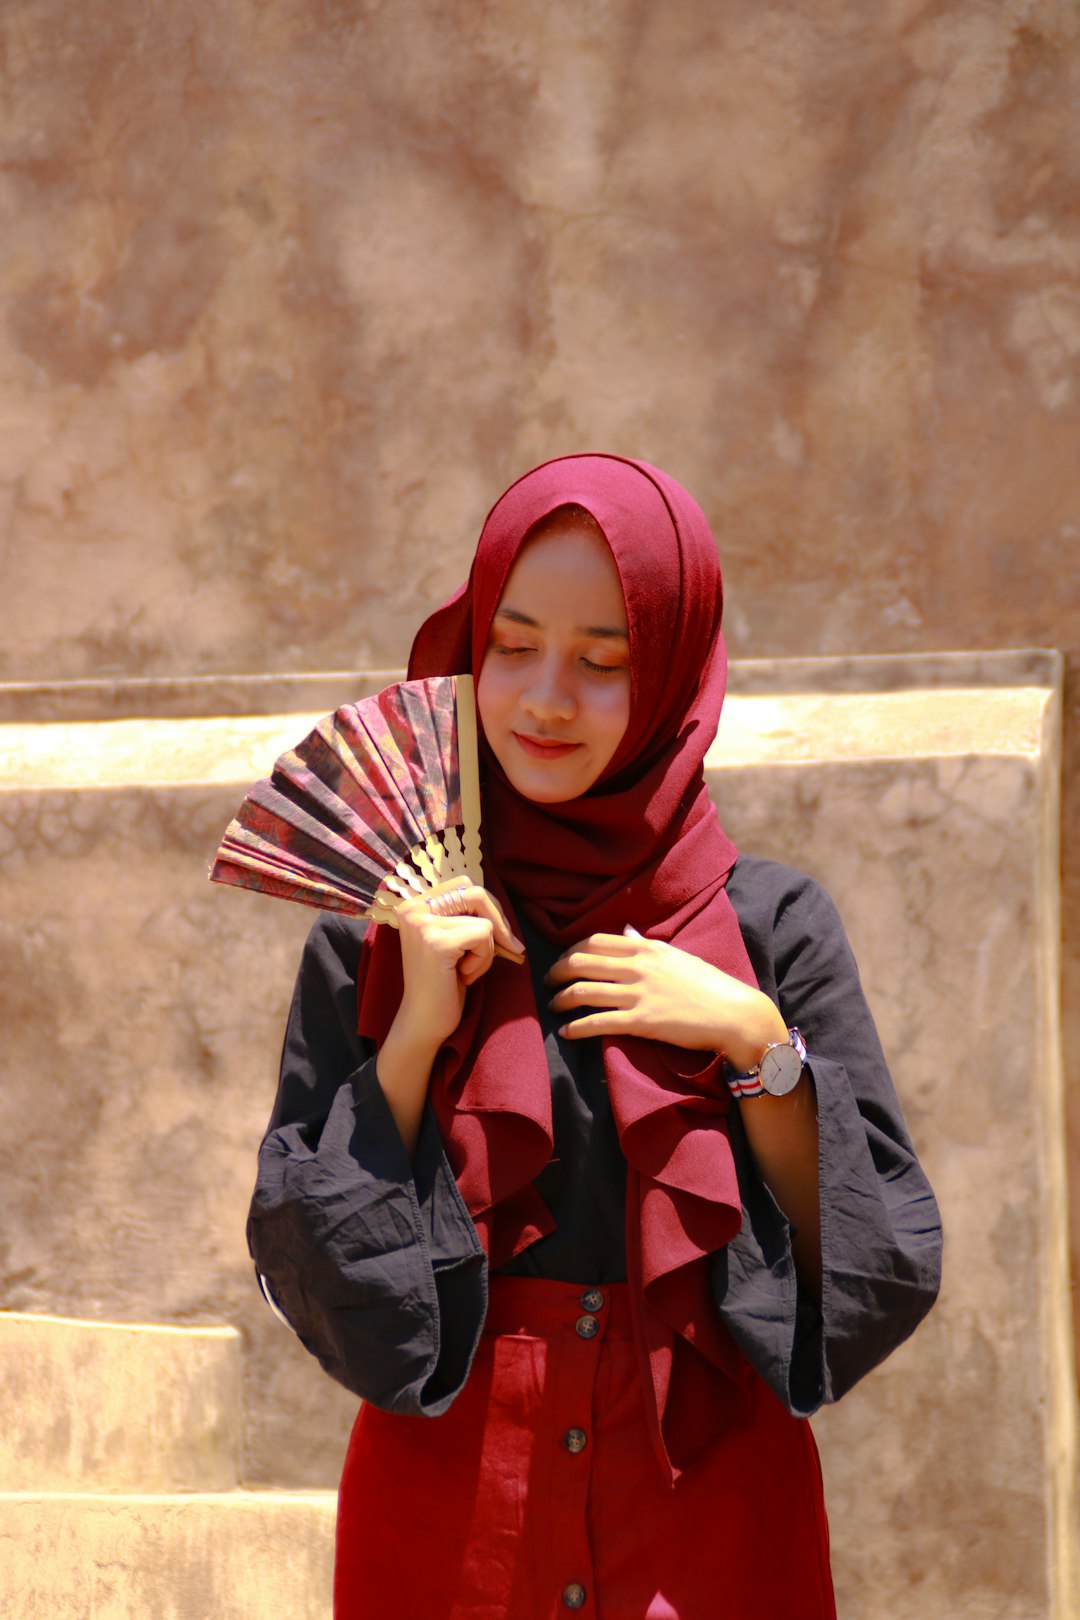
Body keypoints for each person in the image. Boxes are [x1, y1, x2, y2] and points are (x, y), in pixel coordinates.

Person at [248, 454, 942, 1620]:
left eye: (604, 662)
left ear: (673, 673)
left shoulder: (769, 931)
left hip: (709, 1514)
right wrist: (417, 1035)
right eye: (512, 648)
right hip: (448, 1519)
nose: (546, 699)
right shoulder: (380, 939)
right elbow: (312, 1270)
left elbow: (875, 1270)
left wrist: (756, 1045)